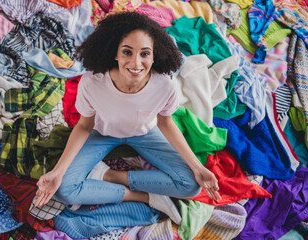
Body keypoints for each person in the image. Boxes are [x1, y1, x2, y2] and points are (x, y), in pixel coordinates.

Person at [34, 12, 221, 225]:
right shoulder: (92, 82)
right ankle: (144, 196)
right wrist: (58, 172)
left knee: (192, 185)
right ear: (115, 53)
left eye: (144, 54)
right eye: (127, 52)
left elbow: (166, 123)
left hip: (145, 134)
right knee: (63, 189)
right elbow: (84, 126)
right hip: (102, 134)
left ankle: (112, 176)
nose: (136, 63)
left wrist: (198, 168)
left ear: (154, 56)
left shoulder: (165, 84)